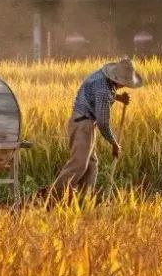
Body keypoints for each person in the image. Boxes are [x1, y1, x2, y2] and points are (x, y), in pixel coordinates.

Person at [48, 57, 143, 200]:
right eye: (124, 83)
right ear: (117, 78)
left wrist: (118, 98)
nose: (124, 86)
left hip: (85, 123)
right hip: (82, 124)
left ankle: (83, 200)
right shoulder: (103, 90)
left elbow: (99, 94)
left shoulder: (102, 78)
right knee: (79, 164)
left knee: (92, 165)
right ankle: (52, 197)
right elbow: (103, 122)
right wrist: (114, 143)